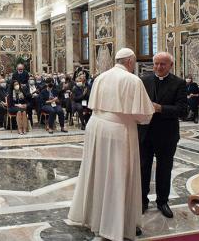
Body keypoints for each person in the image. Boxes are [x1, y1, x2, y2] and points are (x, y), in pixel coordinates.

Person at [68, 48, 154, 240]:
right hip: (118, 130)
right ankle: (116, 224)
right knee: (118, 176)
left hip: (96, 126)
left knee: (97, 172)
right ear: (131, 61)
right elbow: (144, 116)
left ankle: (94, 218)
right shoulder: (133, 80)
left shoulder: (100, 77)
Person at [140, 51, 188, 219]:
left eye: (163, 64)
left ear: (171, 66)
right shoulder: (143, 80)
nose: (158, 67)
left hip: (167, 135)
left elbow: (183, 110)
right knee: (143, 168)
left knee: (164, 169)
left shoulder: (179, 83)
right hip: (145, 134)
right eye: (156, 64)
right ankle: (142, 201)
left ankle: (162, 201)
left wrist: (161, 108)